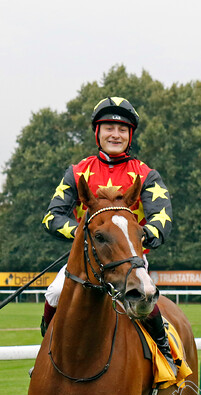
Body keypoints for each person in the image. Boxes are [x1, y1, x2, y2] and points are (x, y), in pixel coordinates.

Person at [40, 96, 175, 364]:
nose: (116, 135)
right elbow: (51, 217)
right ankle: (46, 357)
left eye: (122, 130)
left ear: (130, 135)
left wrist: (138, 236)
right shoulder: (78, 172)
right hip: (87, 258)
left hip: (129, 257)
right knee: (54, 294)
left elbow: (162, 217)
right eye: (109, 128)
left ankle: (168, 358)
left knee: (145, 295)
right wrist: (84, 233)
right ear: (97, 133)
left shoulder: (146, 174)